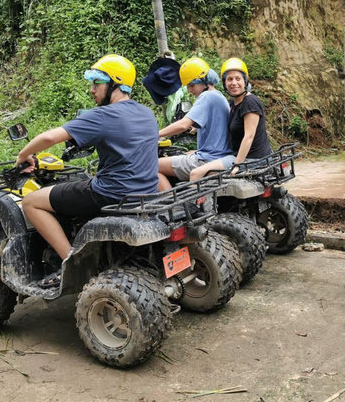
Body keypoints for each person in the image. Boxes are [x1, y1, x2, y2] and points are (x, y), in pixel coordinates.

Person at [15, 54, 159, 287]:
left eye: (96, 83)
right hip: (145, 192)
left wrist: (23, 156)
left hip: (110, 193)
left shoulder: (103, 115)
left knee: (31, 201)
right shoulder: (146, 113)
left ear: (114, 84)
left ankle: (69, 263)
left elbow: (50, 137)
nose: (92, 90)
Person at [156, 57, 233, 190]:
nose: (190, 90)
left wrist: (156, 134)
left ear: (203, 81)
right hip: (219, 154)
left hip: (207, 158)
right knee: (183, 154)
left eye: (192, 85)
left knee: (151, 166)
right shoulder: (219, 95)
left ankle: (173, 204)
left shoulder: (206, 97)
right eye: (187, 86)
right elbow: (206, 123)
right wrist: (194, 129)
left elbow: (183, 124)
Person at [190, 58, 272, 179]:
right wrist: (196, 127)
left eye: (238, 78)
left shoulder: (250, 102)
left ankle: (198, 199)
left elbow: (249, 136)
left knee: (195, 173)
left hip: (253, 159)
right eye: (229, 79)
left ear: (245, 81)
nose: (234, 83)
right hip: (239, 155)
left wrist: (237, 164)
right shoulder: (233, 104)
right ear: (224, 84)